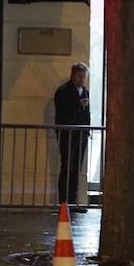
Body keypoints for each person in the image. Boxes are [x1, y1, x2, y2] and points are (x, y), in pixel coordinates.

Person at [53, 62, 91, 212]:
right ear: (73, 75)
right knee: (67, 166)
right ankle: (64, 201)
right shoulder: (63, 91)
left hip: (80, 134)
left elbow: (87, 113)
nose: (82, 79)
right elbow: (62, 112)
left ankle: (73, 200)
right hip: (67, 134)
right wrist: (77, 105)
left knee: (76, 168)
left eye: (84, 77)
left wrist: (87, 130)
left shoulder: (85, 92)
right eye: (79, 76)